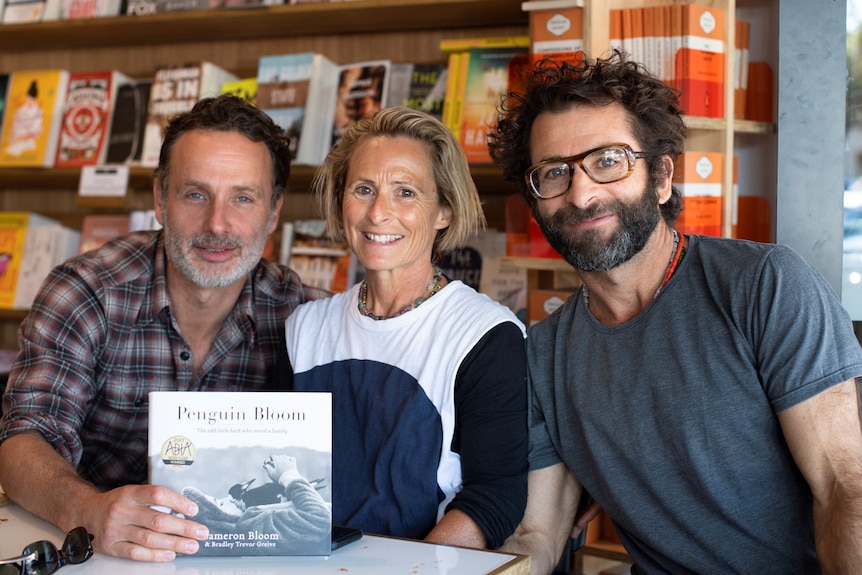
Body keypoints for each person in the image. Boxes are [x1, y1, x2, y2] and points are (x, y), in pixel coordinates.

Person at [487, 51, 862, 574]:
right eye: (554, 172)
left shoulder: (765, 285)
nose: (581, 191)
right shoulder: (543, 352)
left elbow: (844, 489)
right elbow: (538, 532)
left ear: (662, 177)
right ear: (536, 203)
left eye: (608, 160)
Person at [0, 95, 324, 562]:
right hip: (100, 552)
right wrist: (86, 507)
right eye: (195, 194)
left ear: (273, 213)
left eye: (243, 198)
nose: (218, 224)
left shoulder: (306, 318)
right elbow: (24, 438)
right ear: (160, 199)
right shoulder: (87, 290)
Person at [279, 106, 529, 549]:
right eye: (363, 189)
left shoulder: (486, 335)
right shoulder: (303, 329)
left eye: (406, 193)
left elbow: (494, 496)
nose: (378, 213)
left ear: (444, 212)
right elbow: (277, 464)